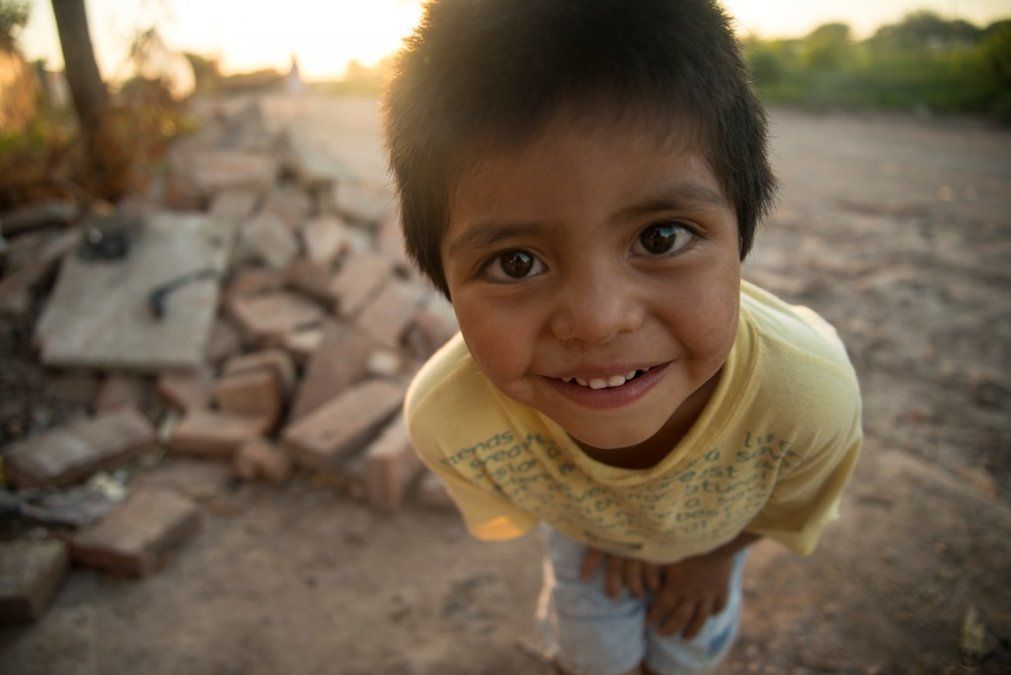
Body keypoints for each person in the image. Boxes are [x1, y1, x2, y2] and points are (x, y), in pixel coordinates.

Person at [382, 1, 862, 673]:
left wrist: (712, 558)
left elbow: (792, 504)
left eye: (660, 238)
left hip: (715, 541)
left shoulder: (807, 397)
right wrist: (599, 532)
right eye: (515, 263)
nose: (599, 320)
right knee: (592, 659)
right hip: (585, 537)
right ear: (441, 276)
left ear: (741, 233)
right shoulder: (452, 423)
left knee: (682, 656)